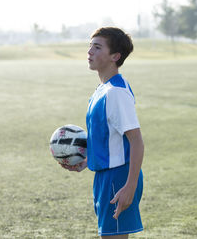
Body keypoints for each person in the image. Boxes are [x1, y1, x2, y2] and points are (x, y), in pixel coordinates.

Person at [61, 27, 144, 238]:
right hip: (104, 176)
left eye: (97, 47)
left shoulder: (115, 92)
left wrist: (130, 186)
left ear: (115, 56)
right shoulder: (103, 89)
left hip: (118, 178)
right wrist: (89, 159)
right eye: (90, 46)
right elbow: (108, 137)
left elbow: (136, 141)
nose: (89, 52)